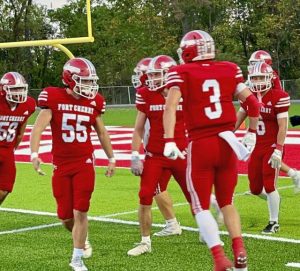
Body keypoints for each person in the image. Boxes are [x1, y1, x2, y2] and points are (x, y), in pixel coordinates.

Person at [163, 30, 260, 271]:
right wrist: (251, 132)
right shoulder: (228, 68)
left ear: (188, 51)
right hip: (227, 143)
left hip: (201, 143)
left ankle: (219, 258)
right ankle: (239, 249)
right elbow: (252, 103)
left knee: (200, 205)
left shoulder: (181, 72)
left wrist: (168, 140)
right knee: (227, 202)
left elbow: (171, 106)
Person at [30, 57, 116, 271]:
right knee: (66, 216)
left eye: (90, 81)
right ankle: (81, 238)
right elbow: (38, 129)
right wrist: (34, 153)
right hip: (61, 164)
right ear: (70, 79)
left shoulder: (94, 102)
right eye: (84, 81)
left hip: (84, 161)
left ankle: (76, 259)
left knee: (81, 210)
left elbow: (102, 132)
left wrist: (111, 157)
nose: (89, 86)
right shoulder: (53, 97)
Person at [127, 55, 192, 257]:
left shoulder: (185, 91)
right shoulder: (146, 94)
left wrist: (192, 146)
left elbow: (196, 121)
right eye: (151, 74)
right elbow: (138, 128)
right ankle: (145, 241)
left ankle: (210, 235)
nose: (151, 79)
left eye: (157, 74)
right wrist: (135, 155)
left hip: (181, 153)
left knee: (194, 195)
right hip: (155, 154)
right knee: (145, 194)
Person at [236, 62, 290, 234]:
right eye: (255, 78)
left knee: (269, 185)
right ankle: (274, 201)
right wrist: (227, 134)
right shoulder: (248, 96)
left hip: (271, 146)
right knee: (255, 189)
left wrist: (279, 149)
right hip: (256, 147)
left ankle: (273, 222)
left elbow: (283, 126)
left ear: (269, 78)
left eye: (261, 77)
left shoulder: (278, 96)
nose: (258, 81)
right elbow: (237, 119)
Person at [245, 50, 300, 192]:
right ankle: (293, 174)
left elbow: (275, 99)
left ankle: (294, 174)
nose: (252, 66)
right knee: (266, 155)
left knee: (270, 154)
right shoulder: (258, 76)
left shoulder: (270, 77)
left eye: (254, 63)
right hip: (265, 115)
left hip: (271, 117)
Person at [0, 72, 36, 205]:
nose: (19, 92)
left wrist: (11, 149)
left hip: (7, 149)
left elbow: (20, 132)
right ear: (4, 90)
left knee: (5, 188)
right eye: (15, 89)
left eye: (21, 88)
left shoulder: (28, 104)